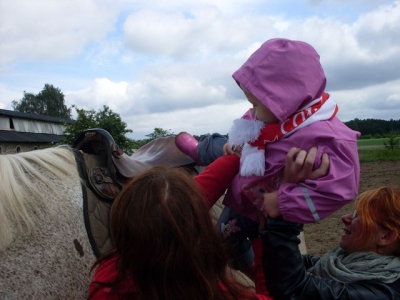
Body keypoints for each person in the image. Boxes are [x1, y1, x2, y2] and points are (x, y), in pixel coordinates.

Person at [175, 38, 360, 277]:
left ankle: (246, 266)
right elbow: (250, 121)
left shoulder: (330, 141)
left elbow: (340, 188)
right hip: (248, 172)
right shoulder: (270, 116)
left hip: (262, 207)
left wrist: (282, 202)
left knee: (225, 239)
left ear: (285, 100)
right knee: (226, 147)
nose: (252, 110)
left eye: (256, 104)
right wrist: (238, 141)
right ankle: (201, 150)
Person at [88, 154, 275, 300]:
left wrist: (236, 156)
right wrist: (265, 237)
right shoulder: (221, 294)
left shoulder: (105, 283)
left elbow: (164, 215)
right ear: (199, 233)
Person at [259, 161, 400, 298]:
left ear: (386, 236)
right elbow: (293, 263)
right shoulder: (340, 264)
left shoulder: (382, 293)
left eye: (358, 216)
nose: (345, 217)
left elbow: (295, 288)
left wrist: (289, 203)